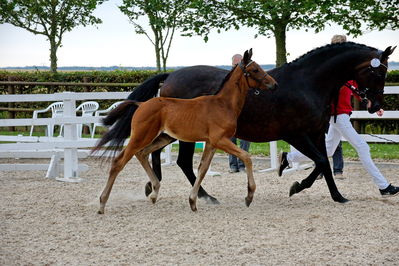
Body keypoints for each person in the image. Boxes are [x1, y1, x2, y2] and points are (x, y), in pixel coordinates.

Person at [278, 78, 399, 197]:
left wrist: (375, 107)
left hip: (342, 116)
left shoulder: (351, 78)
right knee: (363, 148)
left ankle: (288, 158)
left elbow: (358, 94)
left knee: (329, 150)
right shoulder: (337, 75)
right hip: (338, 117)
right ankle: (384, 187)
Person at [229, 54, 251, 173]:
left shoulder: (246, 78)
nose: (236, 66)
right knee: (230, 141)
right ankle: (233, 165)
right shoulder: (228, 79)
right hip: (230, 115)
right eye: (235, 64)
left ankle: (242, 164)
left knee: (245, 140)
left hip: (243, 113)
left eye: (239, 64)